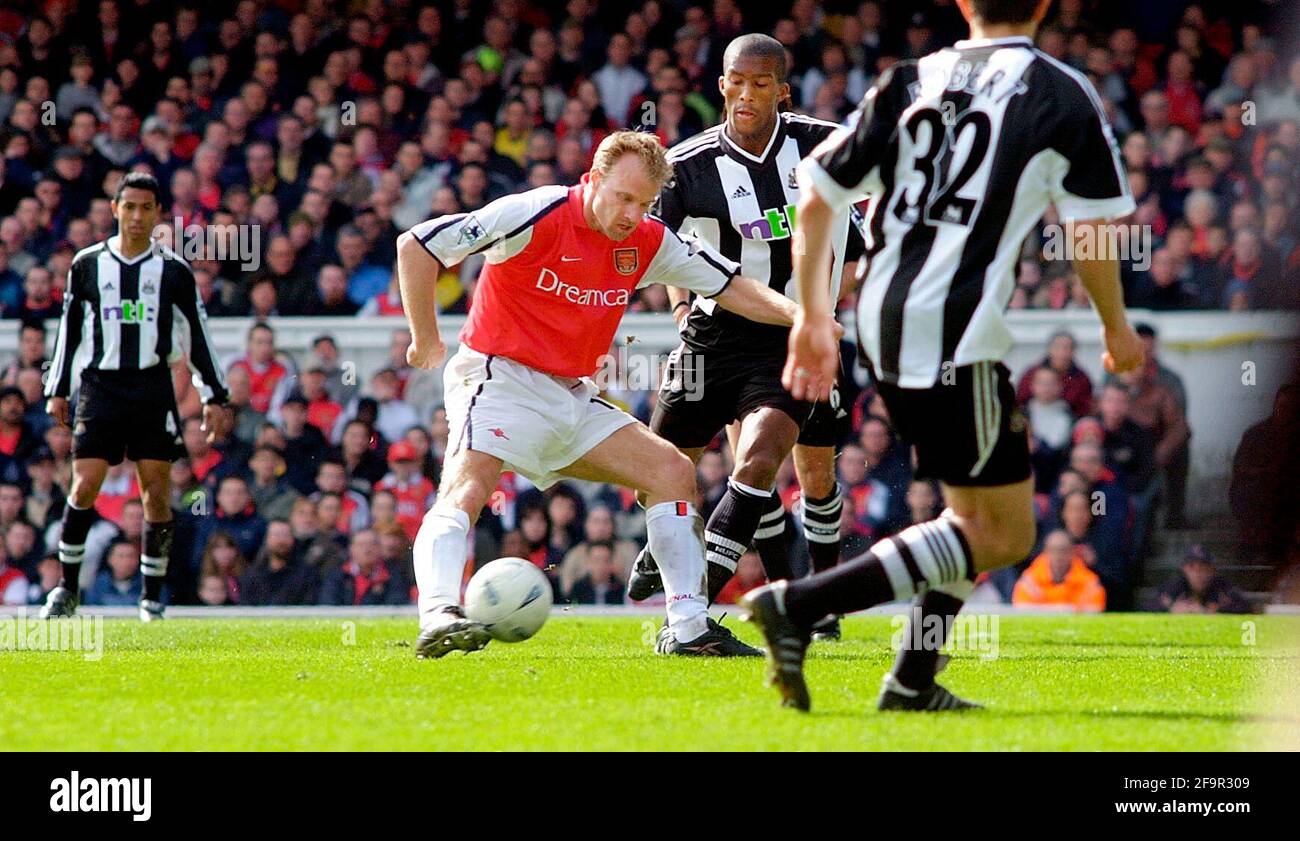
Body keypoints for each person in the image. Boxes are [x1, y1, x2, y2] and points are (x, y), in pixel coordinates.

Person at [741, 0, 1144, 712]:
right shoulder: (1058, 91)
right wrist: (1115, 327)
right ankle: (798, 603)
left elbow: (815, 195)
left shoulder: (909, 79)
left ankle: (911, 680)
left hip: (885, 319)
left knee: (971, 515)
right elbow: (1090, 233)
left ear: (962, 4)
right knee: (1005, 530)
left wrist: (811, 315)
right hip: (955, 329)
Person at [398, 129, 798, 658]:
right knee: (468, 490)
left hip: (572, 394)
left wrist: (804, 316)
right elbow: (418, 245)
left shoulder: (649, 239)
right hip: (499, 378)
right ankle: (440, 615)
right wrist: (426, 338)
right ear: (594, 178)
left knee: (672, 471)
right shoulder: (535, 212)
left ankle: (687, 627)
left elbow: (730, 287)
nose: (632, 213)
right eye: (623, 197)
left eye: (645, 202)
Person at [629, 34, 864, 643]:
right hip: (713, 333)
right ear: (723, 85)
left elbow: (862, 244)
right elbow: (657, 249)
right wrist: (681, 312)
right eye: (738, 81)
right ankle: (669, 553)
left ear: (782, 91)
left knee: (784, 464)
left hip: (794, 336)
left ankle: (709, 604)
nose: (747, 94)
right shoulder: (686, 165)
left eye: (762, 84)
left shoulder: (826, 148)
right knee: (659, 470)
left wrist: (822, 308)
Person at [40, 172, 230, 623]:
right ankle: (67, 589)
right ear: (115, 209)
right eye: (130, 207)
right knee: (84, 485)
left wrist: (213, 393)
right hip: (100, 387)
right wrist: (58, 388)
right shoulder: (86, 265)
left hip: (151, 388)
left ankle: (151, 597)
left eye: (147, 208)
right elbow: (70, 329)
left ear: (158, 213)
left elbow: (196, 333)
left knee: (156, 494)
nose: (138, 216)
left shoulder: (173, 271)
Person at [1011, 529, 1106, 612]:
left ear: (1072, 552)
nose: (1058, 555)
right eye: (1053, 550)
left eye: (1063, 550)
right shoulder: (1030, 581)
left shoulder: (1089, 582)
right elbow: (1023, 611)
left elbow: (1094, 610)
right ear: (1045, 552)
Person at [1149, 545, 1250, 614]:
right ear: (1184, 569)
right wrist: (1172, 608)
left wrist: (1207, 611)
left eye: (1203, 567)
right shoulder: (1175, 585)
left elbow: (1244, 608)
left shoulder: (1223, 588)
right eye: (1192, 567)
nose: (1197, 573)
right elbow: (1148, 606)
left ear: (1212, 570)